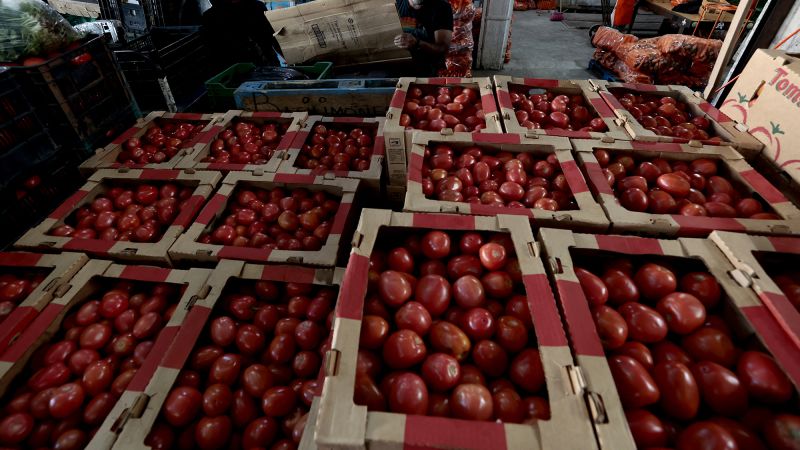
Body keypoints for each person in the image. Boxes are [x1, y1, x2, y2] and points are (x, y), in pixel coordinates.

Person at [201, 0, 282, 69]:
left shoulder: (257, 7)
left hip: (266, 63)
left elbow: (273, 37)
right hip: (234, 68)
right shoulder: (211, 17)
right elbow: (213, 52)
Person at [394, 0, 454, 76]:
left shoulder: (442, 7)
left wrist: (417, 43)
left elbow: (442, 48)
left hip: (427, 70)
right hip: (395, 69)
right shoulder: (394, 5)